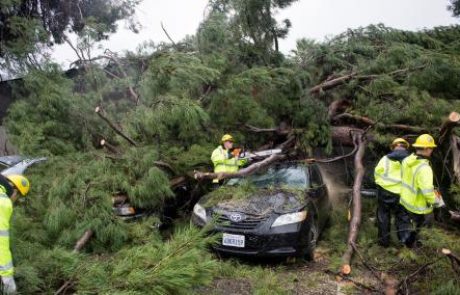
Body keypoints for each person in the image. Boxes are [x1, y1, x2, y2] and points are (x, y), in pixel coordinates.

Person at [397, 134, 438, 247]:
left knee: (411, 226)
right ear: (425, 148)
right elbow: (427, 192)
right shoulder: (425, 168)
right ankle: (419, 247)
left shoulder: (406, 160)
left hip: (406, 202)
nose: (432, 150)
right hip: (419, 207)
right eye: (431, 148)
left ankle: (407, 244)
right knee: (424, 226)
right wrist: (437, 202)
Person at [374, 138, 410, 247]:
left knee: (383, 217)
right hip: (403, 193)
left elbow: (377, 174)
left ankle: (383, 243)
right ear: (405, 147)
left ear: (393, 147)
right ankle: (404, 243)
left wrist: (381, 186)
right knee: (403, 218)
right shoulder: (411, 160)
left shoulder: (384, 159)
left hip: (385, 192)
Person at [0, 174, 30, 294]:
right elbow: (1, 243)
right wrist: (7, 279)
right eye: (18, 196)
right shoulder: (3, 202)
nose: (15, 200)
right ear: (14, 190)